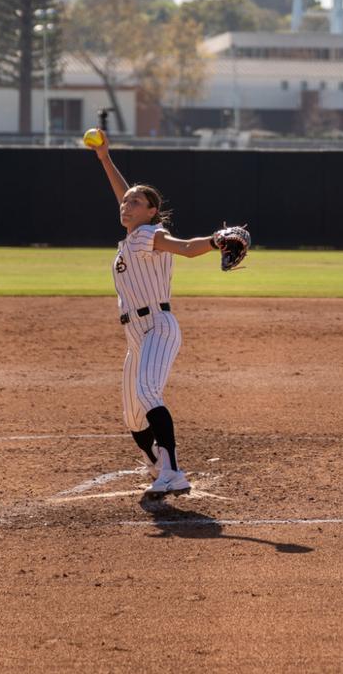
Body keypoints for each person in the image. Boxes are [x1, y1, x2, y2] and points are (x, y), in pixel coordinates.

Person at [89, 129, 227, 498]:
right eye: (126, 201)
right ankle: (155, 464)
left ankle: (174, 472)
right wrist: (104, 157)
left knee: (149, 391)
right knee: (134, 418)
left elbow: (184, 248)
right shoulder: (133, 236)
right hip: (135, 336)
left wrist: (214, 242)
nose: (126, 204)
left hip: (158, 327)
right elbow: (123, 193)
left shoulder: (149, 234)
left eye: (136, 202)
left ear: (151, 211)